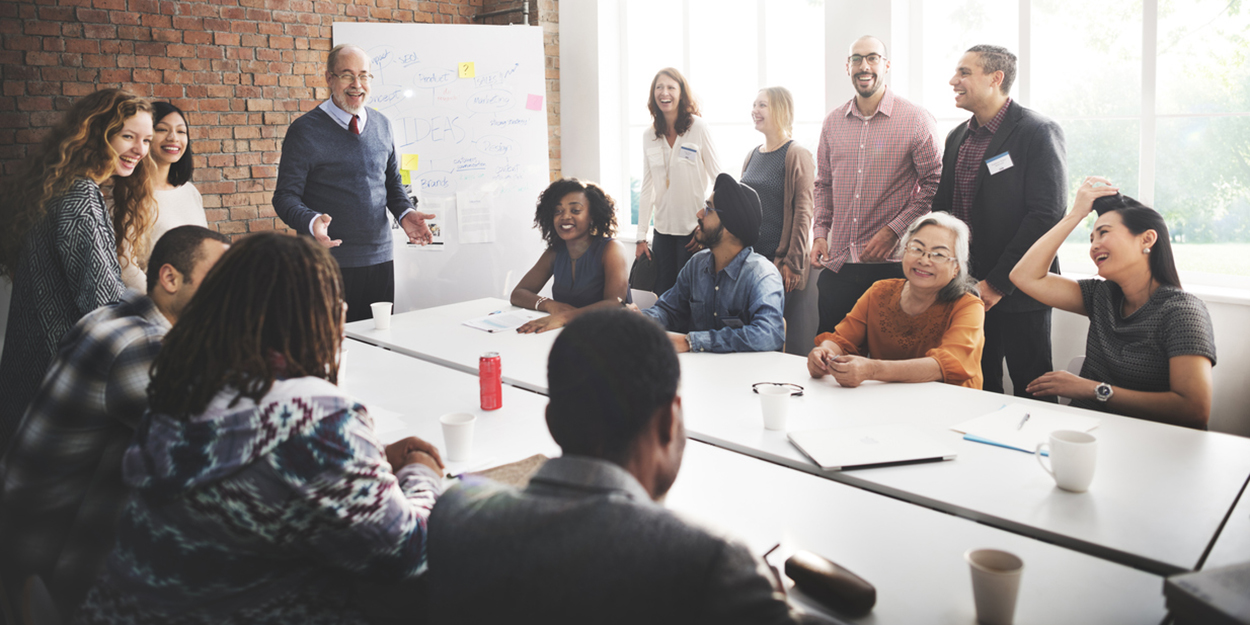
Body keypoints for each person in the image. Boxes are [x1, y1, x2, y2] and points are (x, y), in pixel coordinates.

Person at [75, 232, 445, 624]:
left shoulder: (179, 385)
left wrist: (361, 463)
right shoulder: (315, 419)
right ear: (318, 316)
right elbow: (404, 553)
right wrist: (422, 472)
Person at [426, 308, 830, 625]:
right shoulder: (710, 564)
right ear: (670, 420)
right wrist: (767, 599)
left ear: (552, 421)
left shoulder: (456, 512)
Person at [0, 226, 229, 620]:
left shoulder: (114, 314)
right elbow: (211, 444)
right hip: (49, 559)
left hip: (22, 532)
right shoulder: (143, 347)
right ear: (171, 278)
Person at [0, 88, 156, 449]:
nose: (140, 150)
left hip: (29, 372)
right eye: (128, 136)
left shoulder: (57, 187)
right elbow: (102, 303)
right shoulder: (80, 196)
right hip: (58, 378)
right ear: (97, 134)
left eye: (146, 139)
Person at [1010, 177, 1216, 429]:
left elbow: (1193, 411)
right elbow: (1023, 276)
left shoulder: (1182, 313)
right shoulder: (1101, 296)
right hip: (1086, 431)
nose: (1094, 246)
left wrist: (1090, 389)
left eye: (1104, 233)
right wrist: (1074, 214)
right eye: (1091, 239)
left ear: (1147, 239)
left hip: (1149, 442)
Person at [931, 44, 1066, 399]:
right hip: (965, 290)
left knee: (1032, 389)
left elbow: (1047, 216)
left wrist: (997, 283)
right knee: (974, 386)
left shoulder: (1037, 131)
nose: (953, 81)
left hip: (1020, 290)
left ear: (996, 78)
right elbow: (944, 209)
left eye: (964, 73)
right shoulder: (956, 137)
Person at [273, 43, 436, 322]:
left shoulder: (383, 124)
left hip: (380, 258)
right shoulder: (304, 131)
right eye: (347, 75)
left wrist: (406, 213)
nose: (356, 84)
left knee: (379, 342)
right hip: (328, 262)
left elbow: (392, 184)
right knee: (332, 348)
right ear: (329, 79)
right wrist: (312, 222)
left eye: (364, 76)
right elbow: (285, 197)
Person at [810, 36, 942, 335]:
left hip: (892, 267)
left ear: (886, 65)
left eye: (872, 58)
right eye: (856, 59)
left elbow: (934, 186)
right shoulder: (832, 122)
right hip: (839, 264)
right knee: (829, 357)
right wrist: (820, 234)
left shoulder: (916, 120)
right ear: (847, 67)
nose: (863, 66)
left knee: (888, 365)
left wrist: (894, 230)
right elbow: (823, 185)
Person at [807, 212, 985, 388]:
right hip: (890, 402)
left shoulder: (969, 306)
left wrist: (872, 370)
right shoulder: (880, 291)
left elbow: (943, 366)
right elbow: (842, 340)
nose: (924, 260)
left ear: (956, 267)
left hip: (952, 406)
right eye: (917, 249)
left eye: (938, 254)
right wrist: (824, 352)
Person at [642, 173, 785, 353]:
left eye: (708, 209)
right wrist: (638, 321)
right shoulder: (697, 264)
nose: (699, 214)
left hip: (746, 377)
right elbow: (669, 310)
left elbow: (769, 334)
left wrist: (691, 342)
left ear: (730, 226)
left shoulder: (762, 275)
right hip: (702, 375)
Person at [637, 67, 724, 296]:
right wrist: (640, 237)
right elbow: (647, 189)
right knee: (663, 295)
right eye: (659, 87)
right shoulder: (649, 135)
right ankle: (665, 334)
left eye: (670, 87)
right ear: (653, 95)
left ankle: (689, 335)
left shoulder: (698, 128)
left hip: (693, 232)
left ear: (681, 93)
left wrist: (707, 225)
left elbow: (720, 180)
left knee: (693, 296)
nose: (664, 93)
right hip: (662, 232)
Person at [741, 86, 815, 345]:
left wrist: (792, 263)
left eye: (762, 105)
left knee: (769, 336)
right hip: (747, 262)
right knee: (745, 332)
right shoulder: (752, 155)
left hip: (777, 264)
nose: (755, 111)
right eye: (754, 105)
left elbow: (804, 212)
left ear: (781, 110)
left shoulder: (796, 154)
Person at [510, 179, 630, 333]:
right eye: (558, 211)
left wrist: (565, 317)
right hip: (571, 334)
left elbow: (616, 303)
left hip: (610, 333)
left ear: (592, 216)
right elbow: (518, 294)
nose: (565, 216)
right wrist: (550, 305)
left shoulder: (611, 249)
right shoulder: (555, 252)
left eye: (575, 210)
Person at [119, 102, 210, 291]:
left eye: (181, 131)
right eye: (162, 129)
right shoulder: (127, 194)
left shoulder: (190, 192)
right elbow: (126, 266)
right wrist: (161, 307)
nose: (173, 138)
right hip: (158, 307)